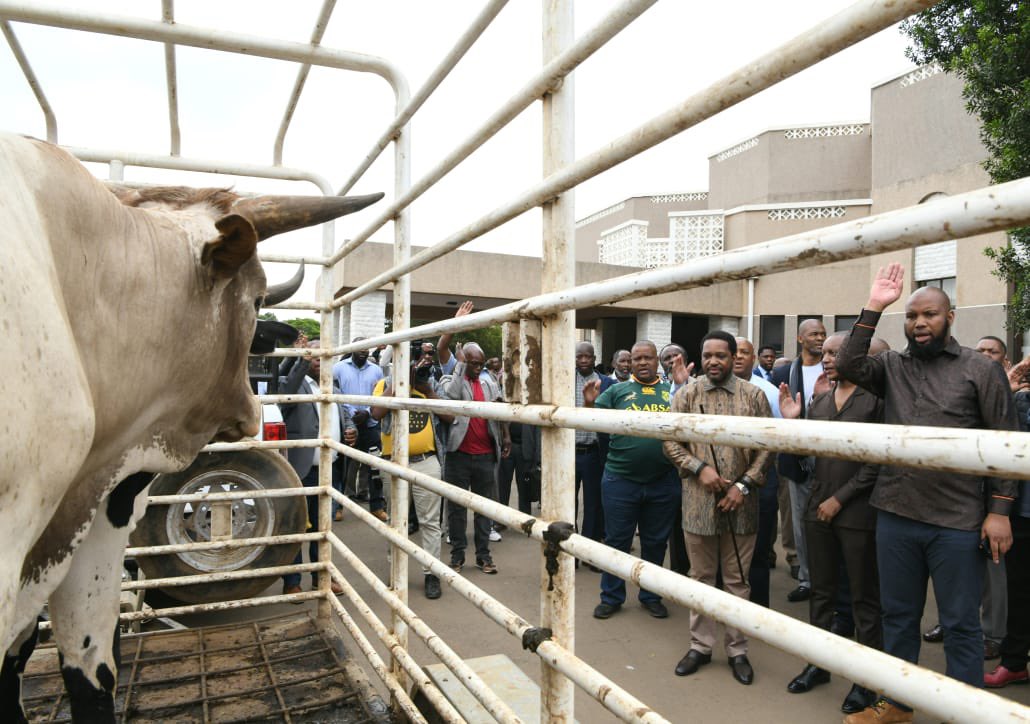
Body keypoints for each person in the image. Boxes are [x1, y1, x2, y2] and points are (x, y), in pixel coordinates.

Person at [836, 263, 1018, 724]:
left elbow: (1007, 442)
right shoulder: (891, 366)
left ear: (949, 317)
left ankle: (967, 712)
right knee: (898, 616)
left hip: (957, 520)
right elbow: (848, 364)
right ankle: (898, 705)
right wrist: (875, 305)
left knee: (960, 624)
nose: (919, 323)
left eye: (930, 314)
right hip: (895, 514)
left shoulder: (981, 369)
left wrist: (999, 511)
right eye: (912, 316)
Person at [780, 333, 883, 715]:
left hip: (857, 513)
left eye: (835, 353)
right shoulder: (820, 402)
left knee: (863, 599)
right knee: (821, 593)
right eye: (823, 353)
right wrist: (795, 424)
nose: (826, 359)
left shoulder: (876, 401)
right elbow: (809, 456)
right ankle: (818, 665)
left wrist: (840, 499)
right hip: (817, 510)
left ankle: (866, 680)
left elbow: (877, 463)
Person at [663, 331, 773, 686]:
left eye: (721, 355)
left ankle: (737, 650)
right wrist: (699, 469)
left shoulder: (754, 395)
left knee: (737, 580)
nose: (713, 361)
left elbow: (768, 446)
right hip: (697, 502)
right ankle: (700, 646)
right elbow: (670, 441)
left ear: (733, 357)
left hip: (742, 504)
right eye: (708, 355)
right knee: (700, 578)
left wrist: (744, 485)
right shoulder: (687, 394)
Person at [583, 341, 680, 620]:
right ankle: (611, 596)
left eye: (648, 358)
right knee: (617, 541)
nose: (642, 362)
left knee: (655, 542)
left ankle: (650, 595)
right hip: (620, 480)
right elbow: (593, 424)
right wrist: (589, 403)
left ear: (657, 361)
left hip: (663, 481)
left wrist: (682, 385)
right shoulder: (616, 391)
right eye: (637, 358)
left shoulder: (671, 392)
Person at [370, 347, 453, 599]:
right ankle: (396, 570)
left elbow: (450, 417)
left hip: (427, 461)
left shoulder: (430, 384)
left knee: (430, 522)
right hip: (394, 462)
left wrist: (428, 391)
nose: (420, 364)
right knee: (396, 520)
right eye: (415, 360)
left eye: (424, 360)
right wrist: (399, 382)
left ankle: (431, 573)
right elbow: (376, 413)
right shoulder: (385, 383)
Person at [279, 336, 357, 596]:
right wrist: (300, 360)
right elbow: (283, 397)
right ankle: (292, 581)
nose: (319, 361)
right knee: (297, 525)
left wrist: (350, 429)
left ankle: (320, 576)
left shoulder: (332, 387)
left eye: (324, 356)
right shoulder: (295, 383)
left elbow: (345, 415)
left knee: (324, 527)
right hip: (301, 469)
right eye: (313, 356)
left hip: (330, 468)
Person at [439, 342, 511, 574]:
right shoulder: (452, 380)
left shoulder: (489, 384)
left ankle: (483, 556)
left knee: (484, 509)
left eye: (481, 364)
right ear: (464, 362)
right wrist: (460, 365)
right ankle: (457, 556)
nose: (478, 368)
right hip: (458, 455)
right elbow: (451, 395)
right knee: (456, 509)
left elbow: (500, 411)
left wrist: (506, 436)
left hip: (485, 456)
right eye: (474, 364)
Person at [770, 318, 827, 603]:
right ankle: (806, 579)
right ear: (800, 338)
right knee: (801, 523)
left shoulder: (834, 368)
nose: (820, 338)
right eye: (814, 334)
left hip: (831, 458)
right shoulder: (783, 372)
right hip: (797, 460)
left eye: (823, 334)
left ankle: (831, 584)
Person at [984, 369, 1030, 689]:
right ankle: (1014, 664)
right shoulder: (1021, 401)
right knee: (1020, 591)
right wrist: (1008, 392)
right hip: (1022, 512)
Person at [733, 337, 781, 609]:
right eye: (735, 351)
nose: (739, 356)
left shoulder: (770, 392)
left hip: (761, 478)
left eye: (745, 352)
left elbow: (776, 440)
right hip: (722, 478)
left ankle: (758, 610)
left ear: (754, 359)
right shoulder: (707, 389)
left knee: (758, 549)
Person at [333, 337, 387, 521]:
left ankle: (377, 506)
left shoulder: (376, 370)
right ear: (352, 349)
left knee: (375, 467)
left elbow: (379, 396)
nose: (364, 351)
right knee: (343, 466)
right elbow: (335, 395)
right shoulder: (338, 368)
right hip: (347, 425)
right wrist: (350, 414)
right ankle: (337, 506)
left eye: (366, 348)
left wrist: (367, 413)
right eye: (360, 348)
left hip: (370, 425)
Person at [575, 342, 606, 545]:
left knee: (593, 504)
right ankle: (570, 547)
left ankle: (588, 548)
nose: (584, 360)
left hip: (593, 454)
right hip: (568, 453)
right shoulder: (564, 381)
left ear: (594, 359)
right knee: (567, 501)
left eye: (588, 356)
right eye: (580, 356)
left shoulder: (606, 383)